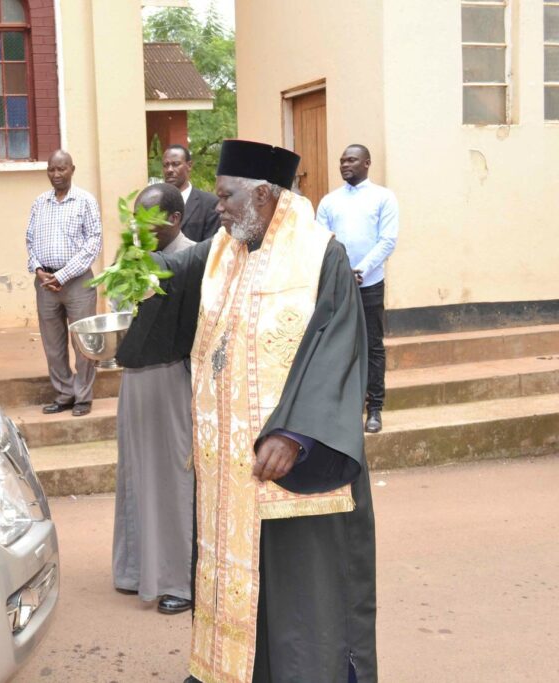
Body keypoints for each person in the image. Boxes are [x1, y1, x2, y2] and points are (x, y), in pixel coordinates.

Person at [122, 140, 376, 683]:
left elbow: (339, 349)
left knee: (297, 593)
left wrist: (295, 433)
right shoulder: (222, 249)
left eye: (226, 196)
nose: (217, 206)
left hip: (291, 466)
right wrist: (136, 269)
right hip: (229, 473)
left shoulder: (321, 255)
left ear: (263, 195)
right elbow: (172, 279)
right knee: (234, 583)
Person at [111, 183, 196, 615]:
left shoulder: (194, 259)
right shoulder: (131, 259)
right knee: (136, 470)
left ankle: (179, 578)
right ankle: (136, 569)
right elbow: (116, 312)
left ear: (175, 219)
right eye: (135, 221)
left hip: (176, 381)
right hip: (136, 383)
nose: (138, 229)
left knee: (172, 477)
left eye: (148, 221)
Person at [317, 144, 399, 433]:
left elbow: (387, 240)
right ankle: (342, 409)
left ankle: (374, 408)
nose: (344, 165)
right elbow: (321, 240)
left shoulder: (383, 198)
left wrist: (361, 270)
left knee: (372, 346)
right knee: (337, 345)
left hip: (369, 284)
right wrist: (341, 272)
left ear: (367, 163)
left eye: (351, 160)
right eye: (342, 160)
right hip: (337, 285)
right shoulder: (329, 201)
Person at [25, 150, 103, 417]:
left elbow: (94, 243)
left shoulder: (85, 201)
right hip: (45, 284)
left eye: (62, 169)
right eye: (52, 169)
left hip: (77, 282)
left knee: (83, 341)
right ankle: (64, 393)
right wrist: (38, 269)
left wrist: (63, 275)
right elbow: (30, 240)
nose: (56, 174)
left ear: (72, 169)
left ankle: (83, 396)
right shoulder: (39, 203)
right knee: (53, 344)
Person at [163, 144, 220, 241]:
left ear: (189, 166)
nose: (169, 170)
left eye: (176, 164)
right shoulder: (157, 203)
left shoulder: (210, 203)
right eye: (166, 165)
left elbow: (211, 245)